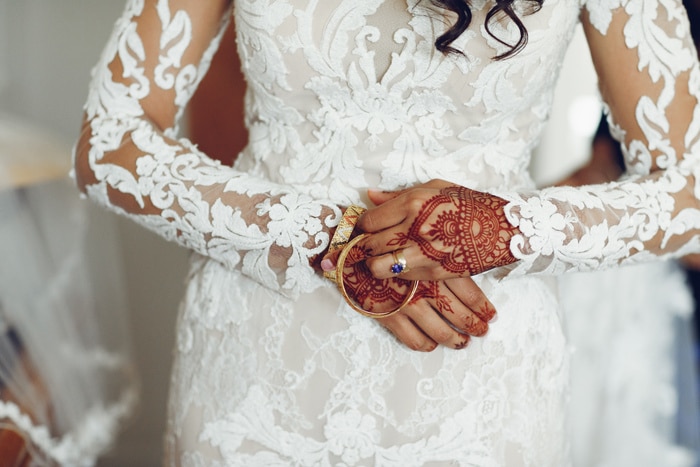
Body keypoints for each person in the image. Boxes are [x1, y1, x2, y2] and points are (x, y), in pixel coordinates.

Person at [73, 1, 700, 466]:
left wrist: (509, 230)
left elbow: (691, 191)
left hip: (475, 374)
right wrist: (326, 238)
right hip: (258, 362)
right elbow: (109, 144)